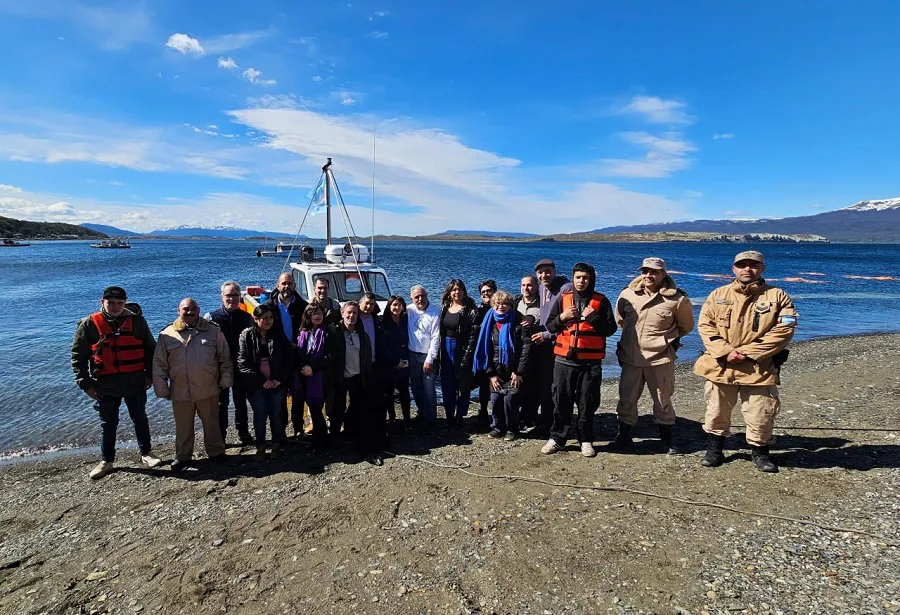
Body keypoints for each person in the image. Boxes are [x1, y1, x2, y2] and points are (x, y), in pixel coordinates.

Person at [694, 251, 797, 473]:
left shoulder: (778, 296)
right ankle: (714, 450)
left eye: (753, 265)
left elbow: (784, 330)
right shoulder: (718, 294)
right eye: (742, 265)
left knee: (761, 413)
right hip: (721, 366)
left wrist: (748, 352)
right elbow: (705, 325)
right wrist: (725, 351)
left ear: (762, 269)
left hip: (759, 368)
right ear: (734, 269)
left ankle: (760, 454)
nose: (747, 269)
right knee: (716, 411)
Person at [71, 286, 161, 479]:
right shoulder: (88, 324)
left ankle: (146, 453)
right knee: (108, 423)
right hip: (105, 385)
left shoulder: (137, 322)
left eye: (119, 303)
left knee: (140, 418)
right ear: (102, 302)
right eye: (111, 303)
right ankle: (107, 461)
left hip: (135, 382)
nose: (115, 307)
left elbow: (150, 349)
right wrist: (85, 384)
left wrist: (150, 375)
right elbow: (78, 357)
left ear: (125, 303)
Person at [613, 258, 695, 454]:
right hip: (631, 357)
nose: (649, 275)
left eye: (654, 272)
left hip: (660, 358)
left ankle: (666, 439)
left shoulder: (677, 299)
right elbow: (620, 320)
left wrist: (666, 341)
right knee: (626, 399)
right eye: (646, 271)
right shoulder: (627, 294)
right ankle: (624, 436)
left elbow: (686, 326)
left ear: (663, 274)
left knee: (662, 399)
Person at [541, 262, 617, 458]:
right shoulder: (563, 299)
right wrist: (563, 317)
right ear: (573, 279)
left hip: (590, 363)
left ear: (591, 279)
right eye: (578, 277)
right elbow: (550, 325)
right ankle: (557, 438)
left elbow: (611, 329)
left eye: (585, 278)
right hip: (564, 361)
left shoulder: (601, 301)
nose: (581, 281)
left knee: (587, 403)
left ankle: (585, 439)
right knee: (561, 401)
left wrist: (594, 319)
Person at [153, 298, 231, 471]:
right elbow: (159, 364)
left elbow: (225, 358)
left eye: (193, 309)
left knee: (212, 423)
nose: (189, 312)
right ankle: (183, 456)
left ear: (199, 310)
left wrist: (225, 381)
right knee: (183, 427)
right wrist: (161, 388)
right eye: (185, 309)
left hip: (208, 388)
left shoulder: (213, 330)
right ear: (178, 310)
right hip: (180, 391)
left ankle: (216, 452)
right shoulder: (167, 334)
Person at [328, 302, 384, 464]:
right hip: (340, 377)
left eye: (354, 313)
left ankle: (354, 436)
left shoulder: (362, 334)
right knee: (337, 408)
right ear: (342, 313)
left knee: (358, 408)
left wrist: (368, 375)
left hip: (358, 376)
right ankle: (335, 437)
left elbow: (366, 357)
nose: (351, 316)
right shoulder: (334, 332)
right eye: (349, 313)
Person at [472, 290, 532, 441]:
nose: (501, 306)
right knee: (496, 399)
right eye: (497, 303)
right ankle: (497, 427)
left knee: (510, 400)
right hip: (496, 369)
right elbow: (486, 349)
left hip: (513, 370)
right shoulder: (489, 321)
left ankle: (512, 428)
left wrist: (518, 372)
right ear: (492, 304)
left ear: (510, 305)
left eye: (505, 303)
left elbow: (526, 348)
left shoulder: (519, 321)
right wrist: (491, 374)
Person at [238, 304, 294, 460]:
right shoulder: (246, 336)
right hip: (257, 385)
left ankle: (276, 444)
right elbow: (243, 363)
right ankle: (261, 446)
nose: (268, 321)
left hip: (277, 384)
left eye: (270, 317)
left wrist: (278, 379)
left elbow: (288, 359)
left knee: (276, 415)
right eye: (264, 318)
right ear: (256, 319)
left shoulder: (278, 335)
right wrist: (262, 381)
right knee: (260, 415)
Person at [204, 281, 254, 446]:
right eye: (228, 295)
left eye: (234, 295)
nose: (231, 299)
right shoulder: (211, 318)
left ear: (239, 297)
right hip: (220, 367)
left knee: (241, 401)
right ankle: (221, 435)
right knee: (221, 403)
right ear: (222, 297)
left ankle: (243, 432)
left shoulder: (247, 318)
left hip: (241, 366)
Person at [530, 260, 572, 438]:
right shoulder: (542, 288)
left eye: (547, 272)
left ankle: (556, 425)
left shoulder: (565, 288)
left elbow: (569, 320)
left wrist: (547, 335)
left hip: (558, 345)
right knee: (544, 385)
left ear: (555, 271)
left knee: (556, 388)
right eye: (540, 273)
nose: (544, 276)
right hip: (543, 345)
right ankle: (546, 421)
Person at [266, 272, 308, 439]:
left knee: (298, 393)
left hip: (297, 356)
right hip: (277, 358)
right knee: (280, 395)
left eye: (290, 284)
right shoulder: (269, 306)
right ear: (278, 286)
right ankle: (281, 429)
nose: (287, 287)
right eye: (284, 284)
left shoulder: (303, 306)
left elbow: (308, 328)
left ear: (294, 286)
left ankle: (298, 427)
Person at [438, 279, 479, 428]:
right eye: (454, 289)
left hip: (461, 348)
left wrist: (467, 356)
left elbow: (473, 336)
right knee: (447, 383)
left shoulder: (471, 310)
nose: (457, 292)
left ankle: (460, 416)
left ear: (464, 291)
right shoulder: (445, 307)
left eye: (460, 289)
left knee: (462, 385)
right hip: (446, 348)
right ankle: (449, 414)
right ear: (449, 292)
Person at [295, 303, 331, 449]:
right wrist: (303, 366)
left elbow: (330, 356)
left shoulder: (328, 332)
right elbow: (298, 353)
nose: (317, 316)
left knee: (316, 410)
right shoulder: (303, 332)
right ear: (308, 315)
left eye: (320, 314)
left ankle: (321, 440)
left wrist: (313, 368)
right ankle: (319, 437)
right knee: (313, 408)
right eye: (314, 313)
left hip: (321, 377)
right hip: (304, 377)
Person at [407, 285, 440, 425]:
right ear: (412, 298)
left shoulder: (435, 312)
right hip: (412, 355)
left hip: (428, 356)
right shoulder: (408, 310)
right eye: (416, 297)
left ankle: (431, 418)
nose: (420, 299)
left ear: (427, 295)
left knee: (429, 389)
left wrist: (430, 359)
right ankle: (421, 412)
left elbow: (436, 338)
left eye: (422, 296)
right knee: (415, 387)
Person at [514, 275, 542, 430]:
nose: (526, 288)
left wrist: (533, 319)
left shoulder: (542, 303)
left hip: (538, 349)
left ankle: (530, 418)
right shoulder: (516, 302)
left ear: (537, 287)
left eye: (530, 285)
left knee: (534, 386)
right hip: (520, 349)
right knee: (521, 384)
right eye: (523, 285)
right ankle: (520, 416)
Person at [381, 295, 412, 429]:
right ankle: (392, 417)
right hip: (389, 362)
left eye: (399, 305)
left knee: (404, 392)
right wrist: (395, 361)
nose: (396, 307)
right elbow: (382, 346)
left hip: (404, 361)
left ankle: (407, 419)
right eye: (394, 304)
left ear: (403, 307)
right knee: (388, 393)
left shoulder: (406, 320)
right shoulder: (383, 323)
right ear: (389, 306)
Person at [472, 279, 497, 430]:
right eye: (483, 292)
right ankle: (482, 414)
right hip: (483, 352)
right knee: (483, 386)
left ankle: (498, 417)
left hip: (497, 353)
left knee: (496, 386)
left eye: (489, 291)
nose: (486, 294)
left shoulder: (502, 308)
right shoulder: (478, 310)